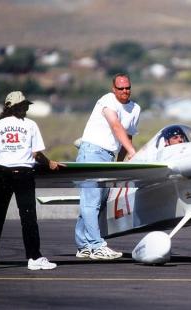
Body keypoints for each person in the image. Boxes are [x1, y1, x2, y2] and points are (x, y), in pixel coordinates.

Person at [0, 91, 63, 270]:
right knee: (28, 217)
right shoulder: (30, 125)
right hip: (24, 174)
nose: (26, 108)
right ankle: (34, 258)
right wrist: (50, 163)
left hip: (2, 174)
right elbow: (36, 154)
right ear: (15, 107)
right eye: (23, 106)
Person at [75, 73, 140, 260]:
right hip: (92, 153)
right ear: (114, 89)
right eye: (121, 88)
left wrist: (119, 163)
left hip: (108, 157)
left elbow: (128, 135)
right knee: (91, 202)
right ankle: (97, 246)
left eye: (127, 87)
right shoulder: (107, 100)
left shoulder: (135, 108)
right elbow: (116, 126)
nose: (125, 91)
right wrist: (132, 152)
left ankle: (83, 245)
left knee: (97, 203)